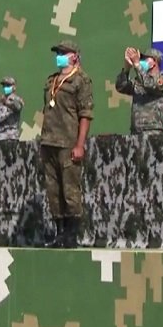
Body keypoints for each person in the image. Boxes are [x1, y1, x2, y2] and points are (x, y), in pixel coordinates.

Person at [40, 40, 94, 248]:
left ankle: (72, 234)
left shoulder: (81, 80)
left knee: (70, 189)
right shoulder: (51, 80)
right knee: (53, 190)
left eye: (63, 53)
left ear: (74, 56)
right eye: (58, 53)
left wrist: (79, 144)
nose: (59, 56)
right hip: (49, 141)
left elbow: (85, 114)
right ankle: (59, 232)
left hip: (68, 142)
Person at [115, 48, 163, 134]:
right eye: (141, 59)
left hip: (153, 130)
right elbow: (121, 87)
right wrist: (127, 68)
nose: (142, 61)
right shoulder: (138, 80)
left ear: (154, 61)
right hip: (136, 131)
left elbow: (149, 84)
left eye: (145, 59)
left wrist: (137, 65)